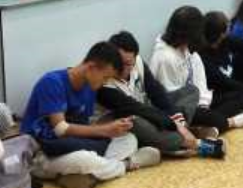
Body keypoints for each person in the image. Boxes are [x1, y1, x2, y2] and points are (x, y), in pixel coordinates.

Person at [22, 42, 162, 188]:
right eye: (105, 77)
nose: (105, 82)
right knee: (84, 159)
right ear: (91, 67)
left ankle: (81, 175)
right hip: (43, 152)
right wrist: (105, 130)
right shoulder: (52, 82)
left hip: (71, 145)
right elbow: (60, 129)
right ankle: (128, 164)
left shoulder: (89, 88)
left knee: (128, 139)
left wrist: (113, 128)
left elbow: (83, 128)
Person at [96, 31, 226, 159]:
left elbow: (156, 93)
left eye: (129, 64)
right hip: (134, 119)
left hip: (150, 110)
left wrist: (178, 122)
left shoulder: (138, 62)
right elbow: (136, 109)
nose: (124, 69)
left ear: (135, 57)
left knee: (191, 91)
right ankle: (198, 145)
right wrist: (175, 125)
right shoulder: (105, 84)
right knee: (134, 122)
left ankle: (175, 141)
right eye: (119, 63)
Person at [148, 6, 243, 134]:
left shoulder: (188, 51)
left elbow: (200, 83)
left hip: (196, 104)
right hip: (178, 109)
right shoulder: (165, 57)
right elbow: (171, 99)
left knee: (238, 96)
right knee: (212, 117)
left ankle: (206, 125)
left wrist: (203, 105)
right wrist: (200, 110)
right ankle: (230, 122)